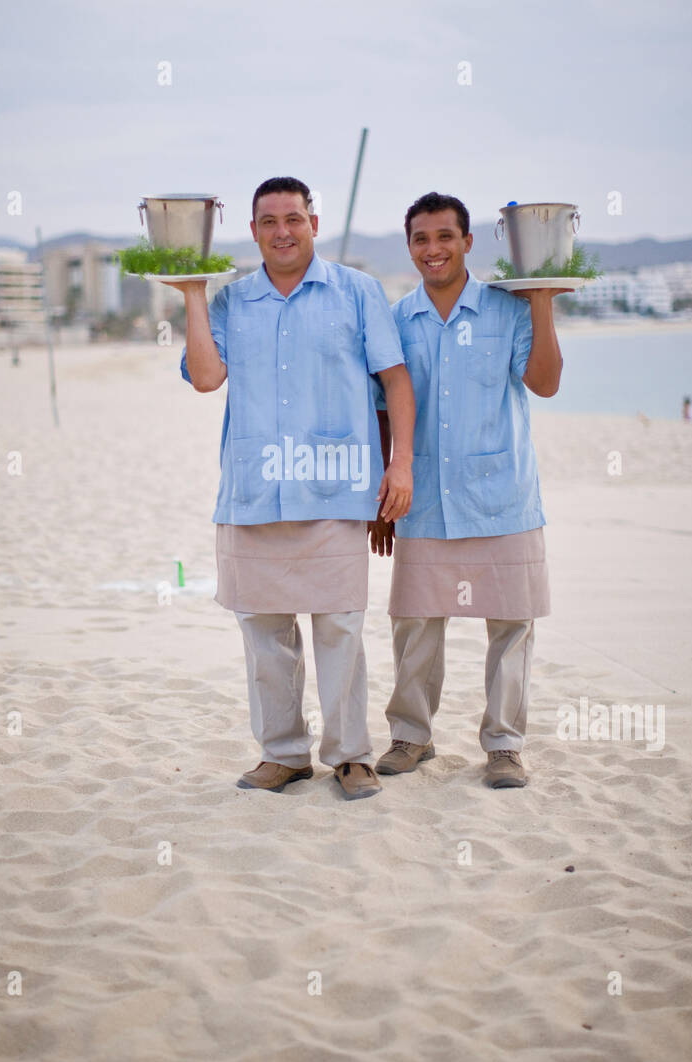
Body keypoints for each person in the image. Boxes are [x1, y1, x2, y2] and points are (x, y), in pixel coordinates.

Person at [180, 177, 414, 800]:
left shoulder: (357, 292)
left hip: (336, 487)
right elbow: (206, 379)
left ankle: (350, 755)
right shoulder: (230, 302)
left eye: (293, 218)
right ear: (253, 230)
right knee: (264, 633)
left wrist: (401, 464)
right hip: (254, 490)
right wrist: (192, 295)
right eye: (268, 221)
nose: (282, 231)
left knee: (340, 626)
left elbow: (395, 381)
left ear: (314, 221)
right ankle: (282, 755)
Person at [369, 192, 565, 788]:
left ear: (467, 242)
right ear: (410, 247)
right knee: (416, 623)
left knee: (512, 623)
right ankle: (411, 737)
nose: (433, 249)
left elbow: (547, 383)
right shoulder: (396, 321)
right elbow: (382, 411)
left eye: (445, 237)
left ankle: (504, 745)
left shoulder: (507, 311)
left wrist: (543, 305)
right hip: (423, 497)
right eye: (421, 239)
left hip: (502, 494)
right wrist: (380, 498)